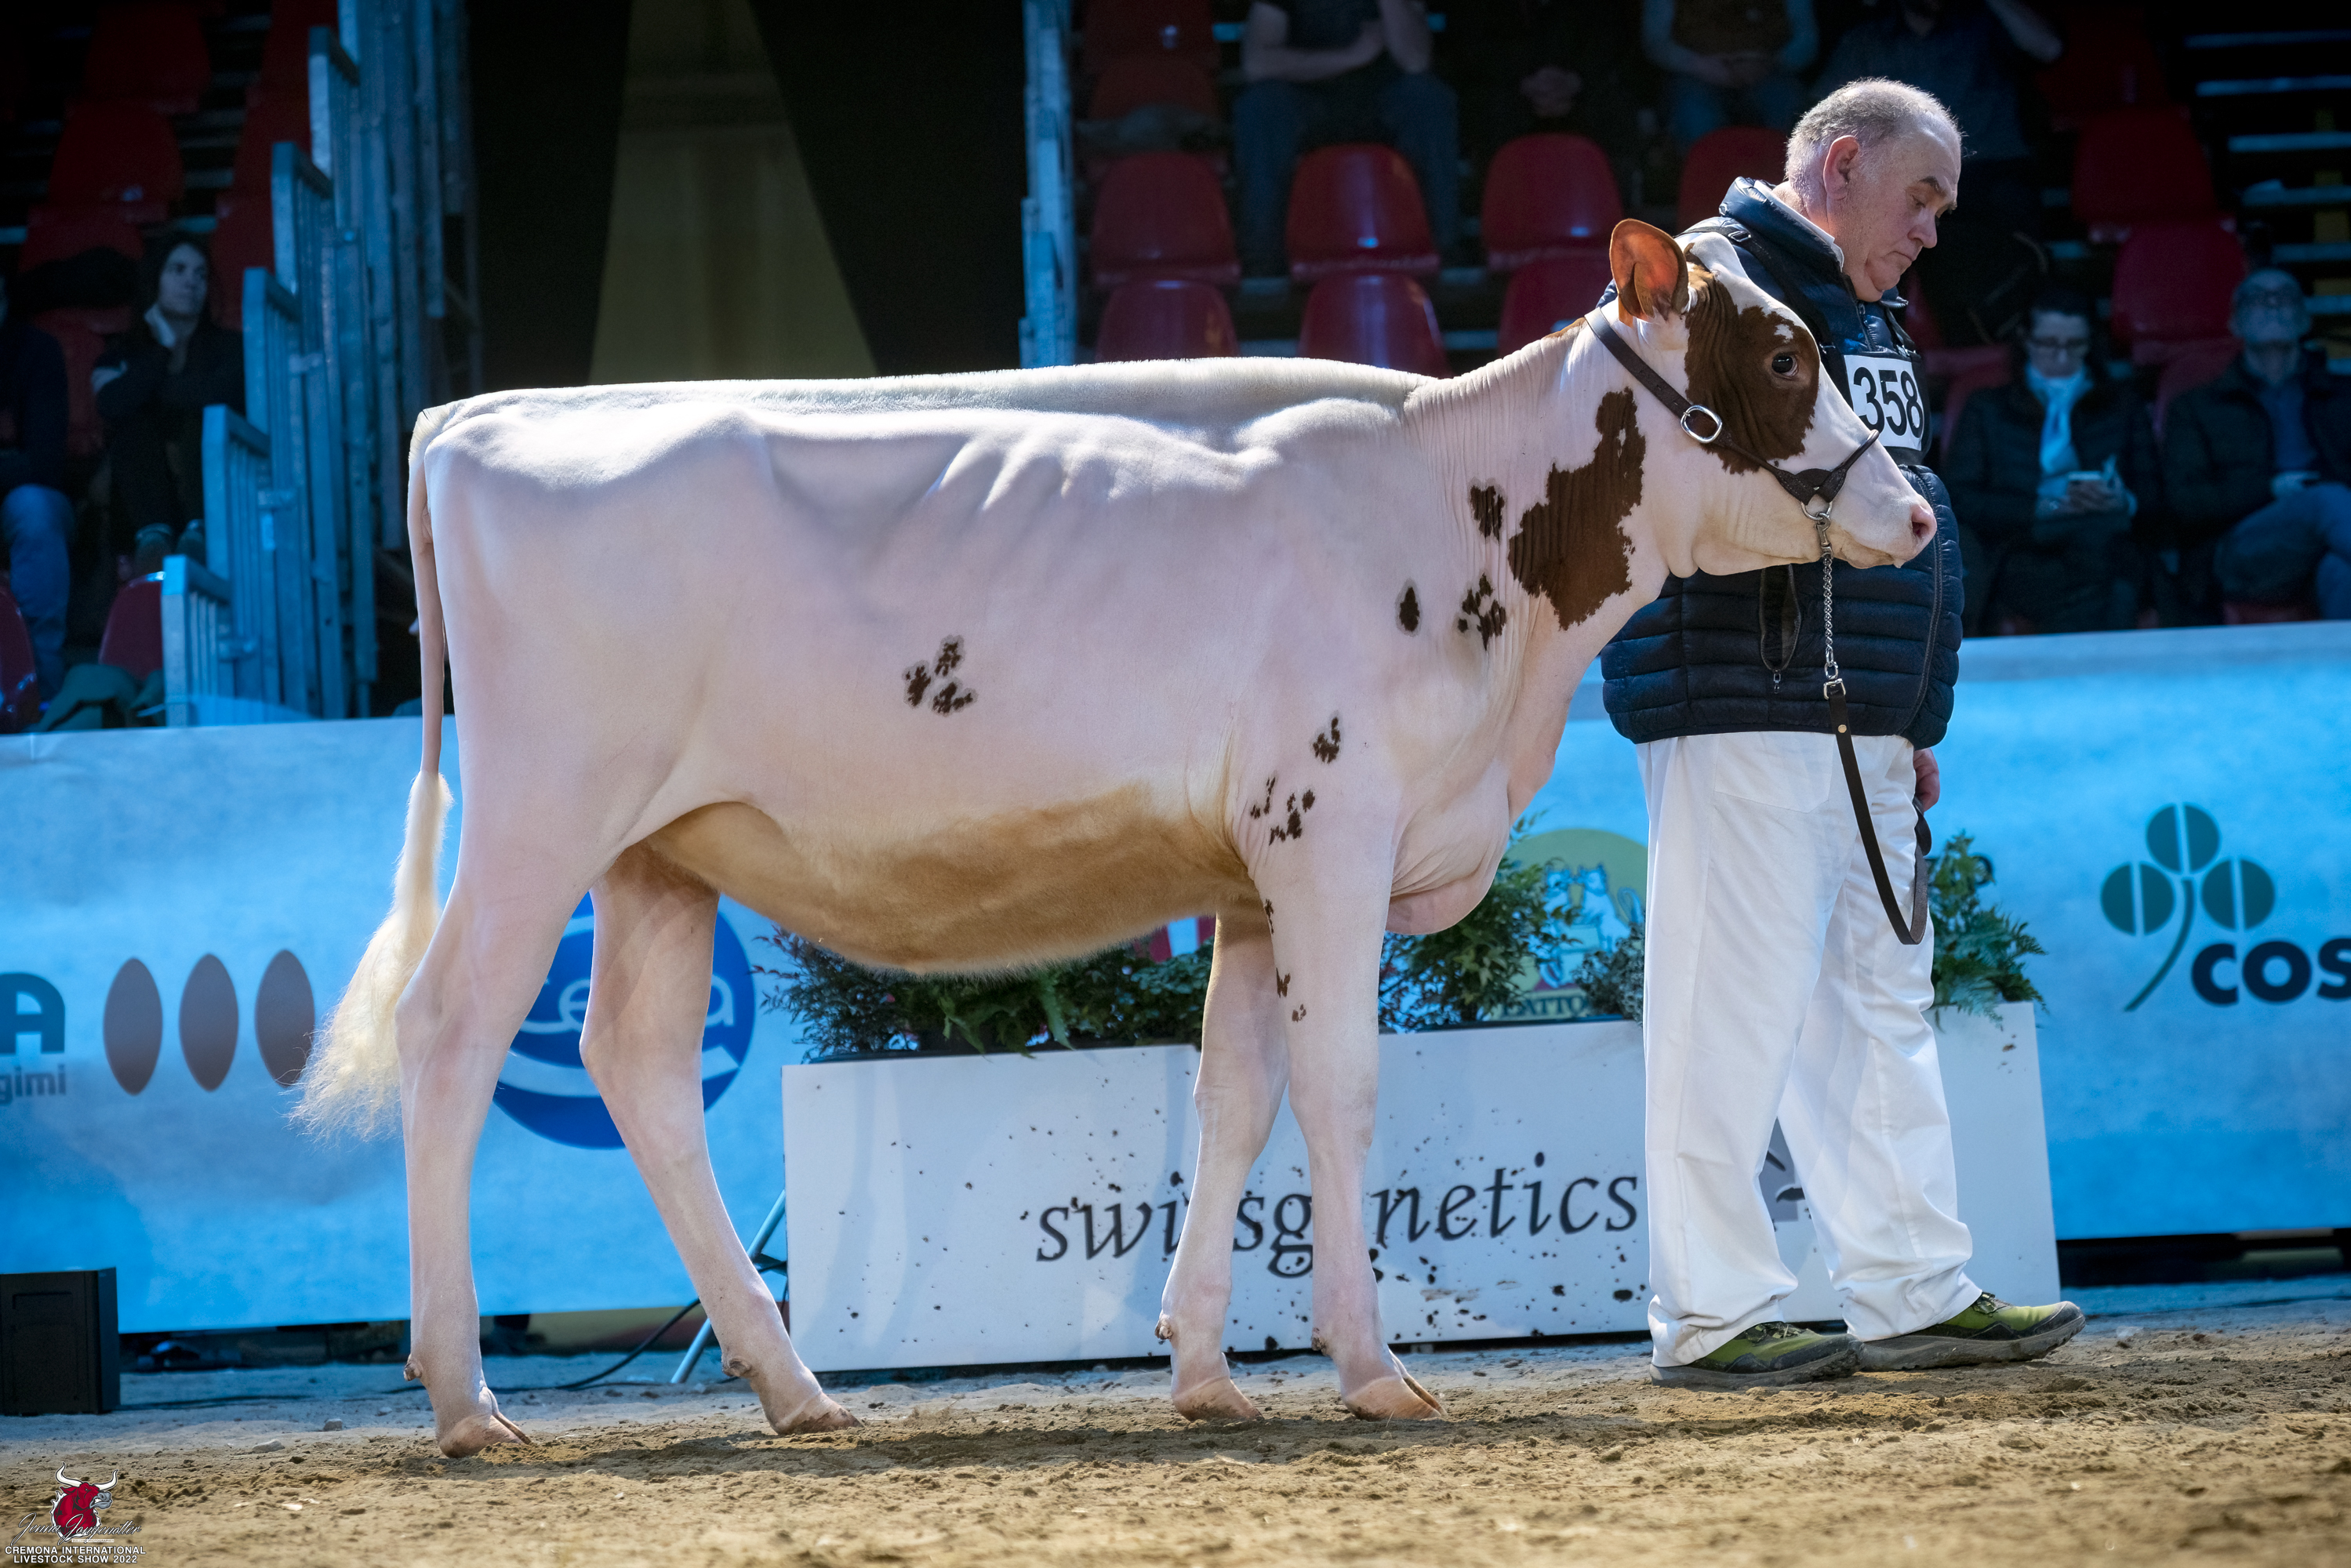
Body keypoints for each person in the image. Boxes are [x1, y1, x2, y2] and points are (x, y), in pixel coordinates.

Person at [1599, 78, 2082, 1388]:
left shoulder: (1864, 316)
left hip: (1853, 715)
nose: (1930, 232)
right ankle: (1707, 1314)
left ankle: (1911, 1292)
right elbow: (1648, 483)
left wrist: (1910, 713)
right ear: (1842, 163)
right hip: (1740, 701)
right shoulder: (1702, 285)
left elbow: (1911, 508)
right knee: (1726, 1013)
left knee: (1877, 1009)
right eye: (1918, 197)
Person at [1811, 0, 2062, 344]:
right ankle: (1876, 345)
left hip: (1985, 176)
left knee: (1983, 243)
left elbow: (2049, 48)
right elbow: (1823, 118)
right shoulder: (1867, 40)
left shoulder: (1986, 27)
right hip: (1901, 180)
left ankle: (1996, 344)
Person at [1944, 285, 2161, 633]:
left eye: (2074, 345)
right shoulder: (1988, 408)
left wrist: (2124, 501)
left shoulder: (2122, 406)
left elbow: (2159, 498)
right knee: (2114, 587)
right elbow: (1961, 499)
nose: (2061, 357)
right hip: (2024, 545)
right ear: (2027, 341)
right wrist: (2042, 507)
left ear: (2090, 344)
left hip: (2108, 537)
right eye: (2049, 344)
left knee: (2105, 563)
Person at [2163, 270, 2351, 621]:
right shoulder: (2197, 407)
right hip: (2241, 551)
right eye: (2258, 298)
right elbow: (2184, 503)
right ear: (2235, 323)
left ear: (2306, 320)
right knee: (2325, 499)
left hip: (2330, 539)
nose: (2273, 304)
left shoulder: (2344, 397)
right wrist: (2270, 490)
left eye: (2285, 297)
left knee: (2341, 572)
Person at [1233, 0, 1461, 277]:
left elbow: (1415, 61)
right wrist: (1352, 57)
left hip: (1383, 97)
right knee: (1260, 107)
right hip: (1306, 97)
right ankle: (1262, 260)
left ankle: (1444, 249)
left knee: (1429, 101)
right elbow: (1257, 64)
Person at [94, 238, 244, 573]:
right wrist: (163, 348)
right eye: (178, 270)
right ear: (155, 280)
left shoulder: (232, 348)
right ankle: (154, 541)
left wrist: (144, 386)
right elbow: (112, 406)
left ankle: (199, 535)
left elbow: (218, 396)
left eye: (200, 274)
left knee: (201, 418)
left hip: (218, 498)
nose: (192, 282)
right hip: (140, 503)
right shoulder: (120, 353)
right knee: (131, 423)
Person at [1452, 0, 1650, 199]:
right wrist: (1526, 83)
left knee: (1612, 107)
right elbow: (1469, 51)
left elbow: (1613, 42)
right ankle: (1503, 204)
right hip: (1509, 89)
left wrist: (1574, 82)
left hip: (1580, 86)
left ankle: (1611, 206)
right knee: (1490, 111)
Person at [0, 275, 72, 700]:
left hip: (25, 498)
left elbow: (43, 463)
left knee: (34, 510)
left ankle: (40, 693)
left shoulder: (37, 351)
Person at [1643, 0, 1819, 152]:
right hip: (1695, 74)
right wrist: (1699, 65)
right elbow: (1655, 41)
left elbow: (1806, 38)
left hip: (1769, 73)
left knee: (1786, 107)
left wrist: (1770, 62)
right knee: (1695, 116)